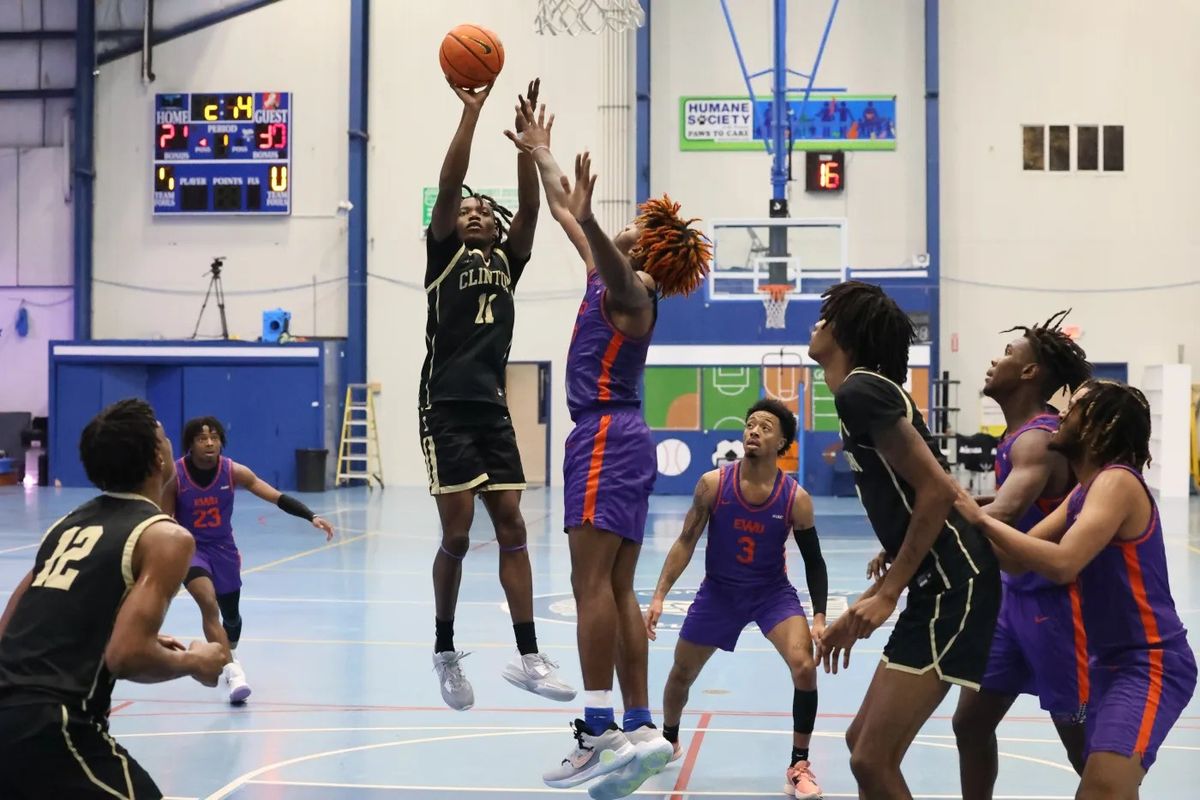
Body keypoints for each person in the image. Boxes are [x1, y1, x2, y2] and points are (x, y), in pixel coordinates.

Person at [504, 99, 711, 798]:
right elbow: (566, 210)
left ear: (646, 247)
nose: (616, 225)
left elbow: (589, 229)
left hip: (603, 435)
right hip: (619, 437)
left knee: (589, 583)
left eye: (631, 227)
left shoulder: (636, 292)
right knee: (615, 586)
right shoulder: (608, 273)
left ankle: (596, 731)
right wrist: (540, 150)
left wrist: (591, 217)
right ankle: (642, 725)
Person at [955, 380, 1196, 799]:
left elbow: (1063, 564)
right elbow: (1016, 558)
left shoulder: (1117, 482)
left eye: (1077, 407)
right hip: (1107, 661)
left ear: (1100, 426)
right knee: (1107, 786)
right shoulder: (1084, 491)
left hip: (1150, 662)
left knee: (1100, 787)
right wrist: (948, 519)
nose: (1063, 412)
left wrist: (977, 518)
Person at [807, 280, 1000, 798]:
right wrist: (871, 596)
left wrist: (888, 593)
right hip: (938, 581)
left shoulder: (860, 390)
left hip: (956, 584)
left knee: (872, 758)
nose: (816, 324)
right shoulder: (865, 393)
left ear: (846, 331)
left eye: (827, 318)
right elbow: (926, 494)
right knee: (858, 742)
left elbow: (937, 492)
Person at [421, 77, 575, 711]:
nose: (475, 210)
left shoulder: (509, 260)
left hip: (492, 408)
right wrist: (472, 114)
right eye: (467, 209)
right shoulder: (442, 255)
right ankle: (444, 648)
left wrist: (526, 148)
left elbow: (532, 212)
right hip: (446, 408)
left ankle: (529, 653)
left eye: (485, 207)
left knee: (511, 524)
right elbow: (453, 179)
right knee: (457, 535)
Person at [0, 398, 226, 799]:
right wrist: (195, 661)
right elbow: (126, 655)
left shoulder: (66, 526)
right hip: (56, 726)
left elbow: (11, 629)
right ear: (160, 457)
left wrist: (120, 634)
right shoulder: (166, 536)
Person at [645, 398, 829, 799]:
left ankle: (798, 764)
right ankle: (669, 739)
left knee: (804, 666)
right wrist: (660, 595)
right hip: (719, 592)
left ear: (782, 442)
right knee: (680, 673)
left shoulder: (796, 498)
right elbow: (685, 541)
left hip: (771, 593)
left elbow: (814, 562)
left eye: (765, 427)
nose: (754, 431)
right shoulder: (713, 484)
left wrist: (818, 616)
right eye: (750, 424)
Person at [948, 311, 1093, 796]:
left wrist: (930, 516)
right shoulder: (1018, 437)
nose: (995, 359)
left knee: (1082, 747)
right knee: (970, 723)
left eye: (1008, 354)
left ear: (1030, 373)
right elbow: (996, 504)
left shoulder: (1038, 438)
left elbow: (1003, 516)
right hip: (1013, 603)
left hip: (1057, 608)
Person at [160, 416, 334, 704]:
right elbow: (166, 518)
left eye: (214, 437)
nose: (209, 443)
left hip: (224, 549)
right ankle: (234, 671)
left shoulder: (233, 472)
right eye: (202, 438)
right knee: (207, 603)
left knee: (232, 617)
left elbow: (274, 496)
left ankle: (229, 650)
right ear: (190, 444)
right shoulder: (176, 476)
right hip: (191, 549)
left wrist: (310, 515)